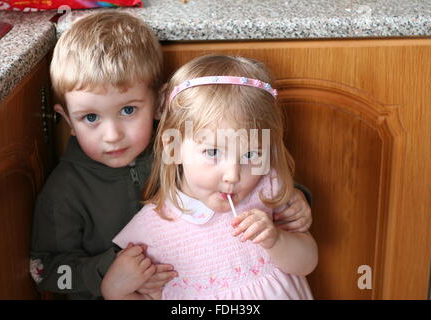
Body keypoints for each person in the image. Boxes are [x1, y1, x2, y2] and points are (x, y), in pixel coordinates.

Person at [30, 13, 312, 300]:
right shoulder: (64, 191)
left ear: (159, 103)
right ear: (67, 120)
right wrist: (105, 271)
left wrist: (293, 199)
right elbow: (45, 272)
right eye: (90, 117)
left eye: (128, 110)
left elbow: (242, 175)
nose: (112, 134)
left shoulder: (185, 149)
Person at [112, 55, 318, 300]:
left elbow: (307, 263)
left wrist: (276, 240)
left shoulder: (267, 189)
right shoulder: (153, 228)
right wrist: (114, 290)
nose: (233, 175)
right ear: (173, 148)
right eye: (212, 152)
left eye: (251, 154)